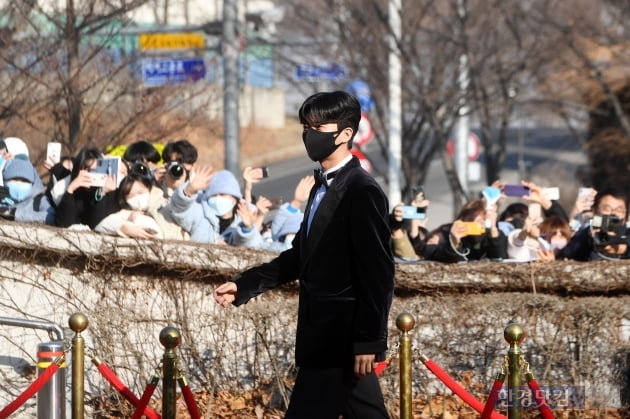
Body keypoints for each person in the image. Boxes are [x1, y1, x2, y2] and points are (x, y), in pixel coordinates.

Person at [214, 91, 394, 419]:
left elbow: (378, 272)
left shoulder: (361, 191)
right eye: (305, 126)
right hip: (321, 338)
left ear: (346, 134)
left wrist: (368, 341)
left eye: (318, 126)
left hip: (339, 341)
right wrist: (246, 285)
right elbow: (300, 256)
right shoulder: (319, 188)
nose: (309, 134)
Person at [168, 167, 262, 246]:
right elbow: (179, 210)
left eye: (222, 194)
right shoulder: (200, 213)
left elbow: (252, 246)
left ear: (235, 198)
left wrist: (247, 228)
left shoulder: (244, 216)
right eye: (213, 195)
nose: (217, 198)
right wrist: (189, 190)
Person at [553, 188, 630, 261]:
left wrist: (622, 249)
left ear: (626, 215)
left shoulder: (627, 234)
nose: (613, 213)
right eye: (607, 209)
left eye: (619, 210)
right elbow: (567, 253)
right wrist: (589, 238)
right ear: (595, 211)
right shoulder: (588, 234)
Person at [423, 199, 508, 262]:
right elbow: (430, 252)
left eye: (481, 221)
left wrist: (493, 229)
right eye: (470, 220)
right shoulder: (449, 234)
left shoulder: (494, 237)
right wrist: (454, 242)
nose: (475, 224)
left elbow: (500, 257)